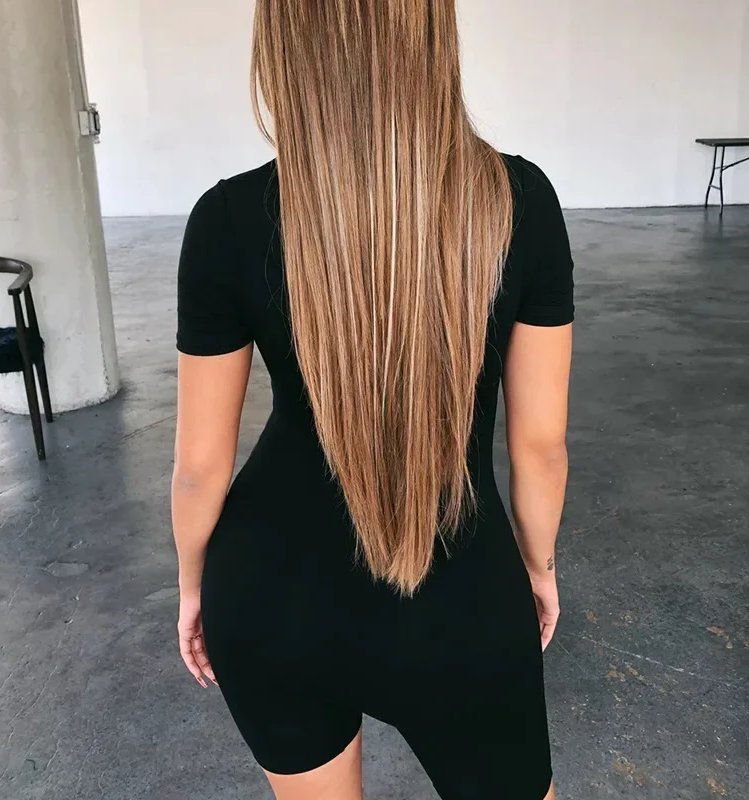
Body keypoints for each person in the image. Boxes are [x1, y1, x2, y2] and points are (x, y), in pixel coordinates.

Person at [171, 2, 574, 798]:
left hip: (270, 598)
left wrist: (193, 588)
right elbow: (540, 448)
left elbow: (198, 468)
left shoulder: (225, 221)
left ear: (285, 47)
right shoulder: (520, 201)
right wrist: (538, 567)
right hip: (461, 603)